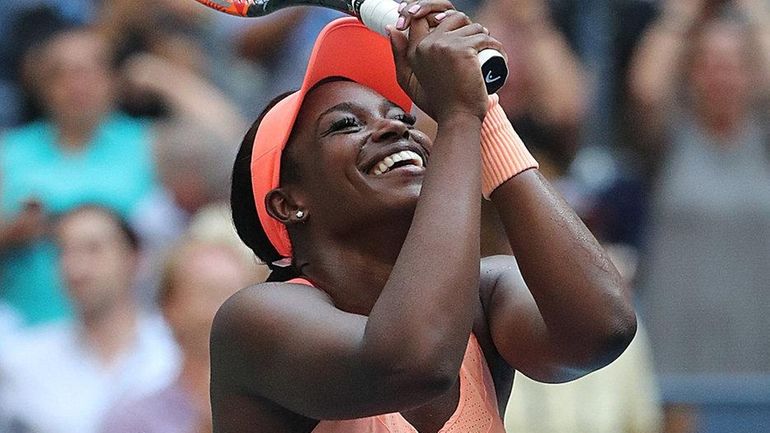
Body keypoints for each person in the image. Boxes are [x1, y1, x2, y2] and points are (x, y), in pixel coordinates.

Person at [212, 4, 637, 432]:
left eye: (402, 117)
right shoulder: (253, 320)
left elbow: (602, 331)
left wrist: (484, 114)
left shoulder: (485, 294)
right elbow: (414, 363)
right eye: (344, 125)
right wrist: (456, 117)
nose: (396, 129)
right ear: (288, 203)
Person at [0, 26, 158, 326]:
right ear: (40, 86)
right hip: (27, 332)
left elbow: (238, 151)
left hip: (127, 333)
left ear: (113, 79)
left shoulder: (149, 144)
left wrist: (164, 78)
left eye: (90, 71)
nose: (77, 84)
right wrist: (12, 234)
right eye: (61, 74)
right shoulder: (8, 152)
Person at [0, 205, 179, 433]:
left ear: (135, 258)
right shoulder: (20, 361)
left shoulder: (173, 352)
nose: (76, 268)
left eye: (94, 249)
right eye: (64, 252)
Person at [100, 232, 259, 433]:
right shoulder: (132, 420)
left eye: (237, 295)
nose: (226, 309)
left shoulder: (286, 410)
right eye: (211, 293)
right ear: (169, 307)